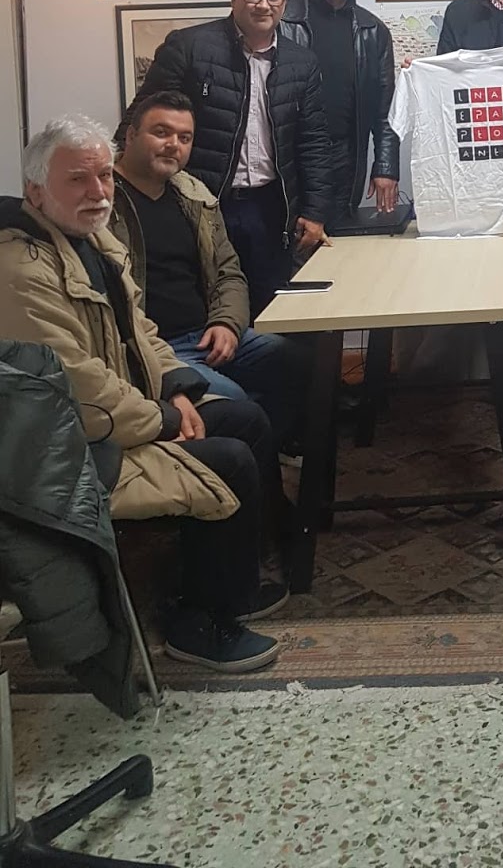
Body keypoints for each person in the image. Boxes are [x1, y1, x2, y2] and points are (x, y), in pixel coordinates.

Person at [0, 116, 288, 672]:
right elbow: (76, 392)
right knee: (227, 457)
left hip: (115, 417)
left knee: (246, 419)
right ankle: (197, 623)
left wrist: (177, 388)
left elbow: (142, 334)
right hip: (63, 452)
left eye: (104, 176)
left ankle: (229, 581)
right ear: (35, 191)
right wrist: (162, 418)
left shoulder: (92, 240)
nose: (98, 191)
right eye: (77, 179)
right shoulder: (19, 271)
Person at [135, 0, 334, 318]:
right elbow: (142, 119)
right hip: (203, 202)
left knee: (269, 308)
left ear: (284, 2)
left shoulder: (301, 62)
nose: (263, 5)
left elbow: (314, 141)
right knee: (206, 303)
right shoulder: (190, 47)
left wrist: (315, 211)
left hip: (271, 208)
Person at [111, 89, 307, 444]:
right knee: (236, 402)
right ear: (131, 135)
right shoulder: (102, 200)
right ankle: (250, 457)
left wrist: (226, 323)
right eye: (161, 132)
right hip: (157, 346)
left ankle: (277, 452)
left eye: (184, 138)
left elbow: (228, 271)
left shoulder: (192, 194)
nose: (173, 145)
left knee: (298, 362)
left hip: (206, 332)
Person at [280, 0, 399, 225]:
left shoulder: (374, 31)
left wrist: (385, 166)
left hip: (345, 158)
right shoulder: (283, 20)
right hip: (290, 157)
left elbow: (385, 109)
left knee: (340, 242)